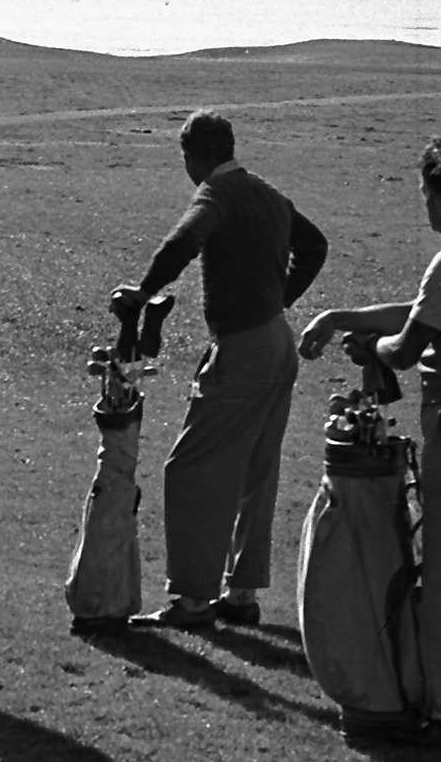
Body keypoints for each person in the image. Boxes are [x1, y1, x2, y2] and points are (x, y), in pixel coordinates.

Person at [298, 138, 441, 739]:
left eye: (426, 194)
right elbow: (426, 310)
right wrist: (344, 318)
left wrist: (368, 347)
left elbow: (402, 349)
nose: (423, 205)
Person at [118, 109, 327, 631]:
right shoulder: (267, 193)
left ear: (195, 155)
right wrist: (278, 299)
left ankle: (191, 601)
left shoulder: (215, 194)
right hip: (277, 340)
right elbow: (314, 244)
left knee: (190, 469)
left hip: (243, 346)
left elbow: (182, 243)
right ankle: (241, 593)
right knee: (256, 469)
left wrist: (144, 293)